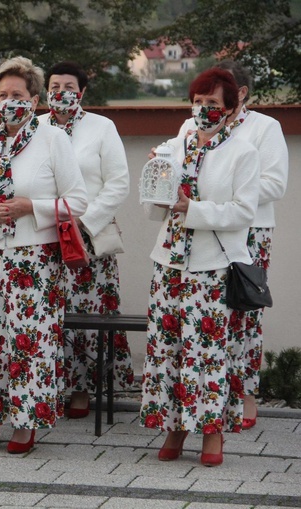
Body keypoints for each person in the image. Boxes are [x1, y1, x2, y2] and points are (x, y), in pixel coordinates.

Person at [0, 56, 87, 454]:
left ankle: (25, 424)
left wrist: (33, 206)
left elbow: (77, 200)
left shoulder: (53, 139)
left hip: (34, 258)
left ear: (34, 99)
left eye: (18, 94)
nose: (9, 100)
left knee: (30, 341)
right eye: (2, 94)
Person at [140, 68, 260, 467]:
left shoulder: (242, 151)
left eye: (212, 104)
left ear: (230, 108)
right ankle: (173, 426)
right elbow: (155, 198)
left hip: (213, 265)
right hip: (169, 261)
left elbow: (244, 212)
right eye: (198, 102)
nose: (203, 109)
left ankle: (212, 434)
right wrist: (156, 186)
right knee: (167, 348)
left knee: (207, 350)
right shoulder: (178, 143)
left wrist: (192, 209)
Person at [174, 61, 289, 430]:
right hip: (199, 229)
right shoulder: (192, 126)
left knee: (245, 314)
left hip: (250, 229)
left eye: (229, 90)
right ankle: (206, 402)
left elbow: (275, 184)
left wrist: (230, 190)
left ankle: (245, 394)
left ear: (241, 94)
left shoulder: (264, 127)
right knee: (210, 320)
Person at [40, 62, 132, 419]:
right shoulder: (35, 127)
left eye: (68, 86)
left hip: (88, 238)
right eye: (54, 85)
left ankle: (82, 389)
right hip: (44, 234)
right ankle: (49, 385)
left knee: (88, 312)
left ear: (82, 92)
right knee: (51, 311)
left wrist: (84, 222)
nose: (61, 91)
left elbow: (118, 182)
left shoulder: (101, 127)